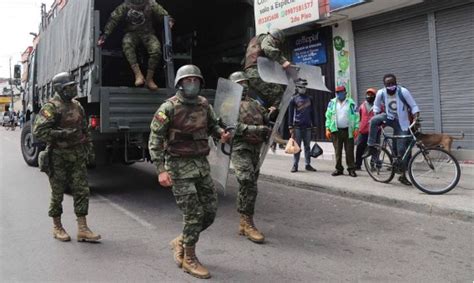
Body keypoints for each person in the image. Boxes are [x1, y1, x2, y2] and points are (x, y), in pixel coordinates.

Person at [148, 65, 231, 279]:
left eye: (195, 81)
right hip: (178, 166)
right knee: (193, 214)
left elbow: (212, 125)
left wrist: (221, 133)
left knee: (210, 212)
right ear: (180, 84)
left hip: (201, 165)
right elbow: (155, 141)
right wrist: (161, 170)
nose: (192, 84)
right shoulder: (169, 108)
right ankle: (189, 259)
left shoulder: (204, 105)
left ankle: (182, 240)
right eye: (187, 81)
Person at [33, 72, 100, 242]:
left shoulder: (78, 106)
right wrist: (62, 134)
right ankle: (57, 227)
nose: (74, 89)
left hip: (77, 155)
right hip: (57, 157)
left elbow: (85, 130)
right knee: (58, 193)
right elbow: (38, 131)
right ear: (60, 89)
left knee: (82, 191)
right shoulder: (51, 107)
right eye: (70, 87)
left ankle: (83, 228)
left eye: (74, 86)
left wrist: (89, 150)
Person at [228, 71, 271, 244]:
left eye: (245, 83)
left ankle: (244, 221)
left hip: (256, 149)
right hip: (240, 148)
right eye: (239, 83)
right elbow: (231, 126)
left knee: (250, 184)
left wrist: (273, 113)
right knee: (247, 180)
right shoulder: (229, 104)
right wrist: (255, 130)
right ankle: (248, 222)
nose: (243, 86)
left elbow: (266, 118)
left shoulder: (254, 103)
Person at [98, 0, 174, 91]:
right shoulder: (126, 5)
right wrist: (105, 35)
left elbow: (163, 14)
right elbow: (114, 19)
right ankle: (138, 74)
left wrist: (169, 20)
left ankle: (149, 79)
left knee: (156, 49)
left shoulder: (151, 3)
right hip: (132, 33)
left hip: (147, 33)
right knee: (127, 43)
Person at [363, 74, 420, 186]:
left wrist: (416, 117)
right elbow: (376, 107)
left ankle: (402, 176)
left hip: (402, 122)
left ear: (396, 82)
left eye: (393, 83)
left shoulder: (403, 91)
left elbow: (413, 106)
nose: (391, 86)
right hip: (389, 118)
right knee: (374, 120)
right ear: (384, 85)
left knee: (402, 150)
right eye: (388, 84)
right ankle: (371, 146)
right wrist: (378, 118)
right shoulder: (381, 93)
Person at [243, 27, 290, 111]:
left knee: (265, 99)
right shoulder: (266, 38)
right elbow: (268, 48)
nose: (276, 45)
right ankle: (274, 113)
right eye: (277, 43)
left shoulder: (256, 40)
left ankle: (268, 111)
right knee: (279, 93)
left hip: (251, 74)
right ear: (275, 38)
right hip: (257, 73)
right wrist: (283, 61)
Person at [325, 85, 359, 177]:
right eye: (338, 92)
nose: (339, 94)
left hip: (348, 130)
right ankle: (338, 169)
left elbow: (356, 116)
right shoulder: (332, 103)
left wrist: (356, 128)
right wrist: (327, 128)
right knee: (337, 151)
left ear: (345, 92)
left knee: (349, 151)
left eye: (341, 92)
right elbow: (328, 116)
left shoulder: (351, 103)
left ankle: (351, 169)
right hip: (335, 130)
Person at [288, 78, 316, 173]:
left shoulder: (310, 98)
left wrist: (314, 125)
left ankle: (308, 164)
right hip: (297, 127)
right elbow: (290, 114)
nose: (303, 88)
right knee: (297, 147)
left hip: (308, 127)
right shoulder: (294, 99)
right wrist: (290, 126)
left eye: (305, 86)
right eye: (301, 87)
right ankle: (295, 165)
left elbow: (313, 113)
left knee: (307, 147)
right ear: (297, 87)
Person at [355, 88, 379, 170]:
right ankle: (358, 164)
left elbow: (383, 117)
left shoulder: (378, 106)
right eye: (368, 94)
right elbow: (359, 117)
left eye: (371, 95)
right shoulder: (362, 106)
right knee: (360, 147)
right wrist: (359, 127)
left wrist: (380, 127)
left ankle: (374, 165)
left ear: (375, 96)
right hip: (363, 130)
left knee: (375, 148)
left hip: (375, 131)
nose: (369, 96)